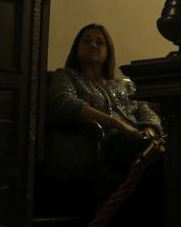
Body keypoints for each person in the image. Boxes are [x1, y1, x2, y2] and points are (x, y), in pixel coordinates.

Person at [46, 23, 163, 182]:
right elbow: (64, 102)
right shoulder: (66, 76)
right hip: (109, 143)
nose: (93, 44)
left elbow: (144, 108)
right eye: (86, 41)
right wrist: (117, 123)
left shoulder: (123, 85)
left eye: (100, 42)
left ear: (108, 51)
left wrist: (150, 129)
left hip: (141, 138)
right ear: (77, 49)